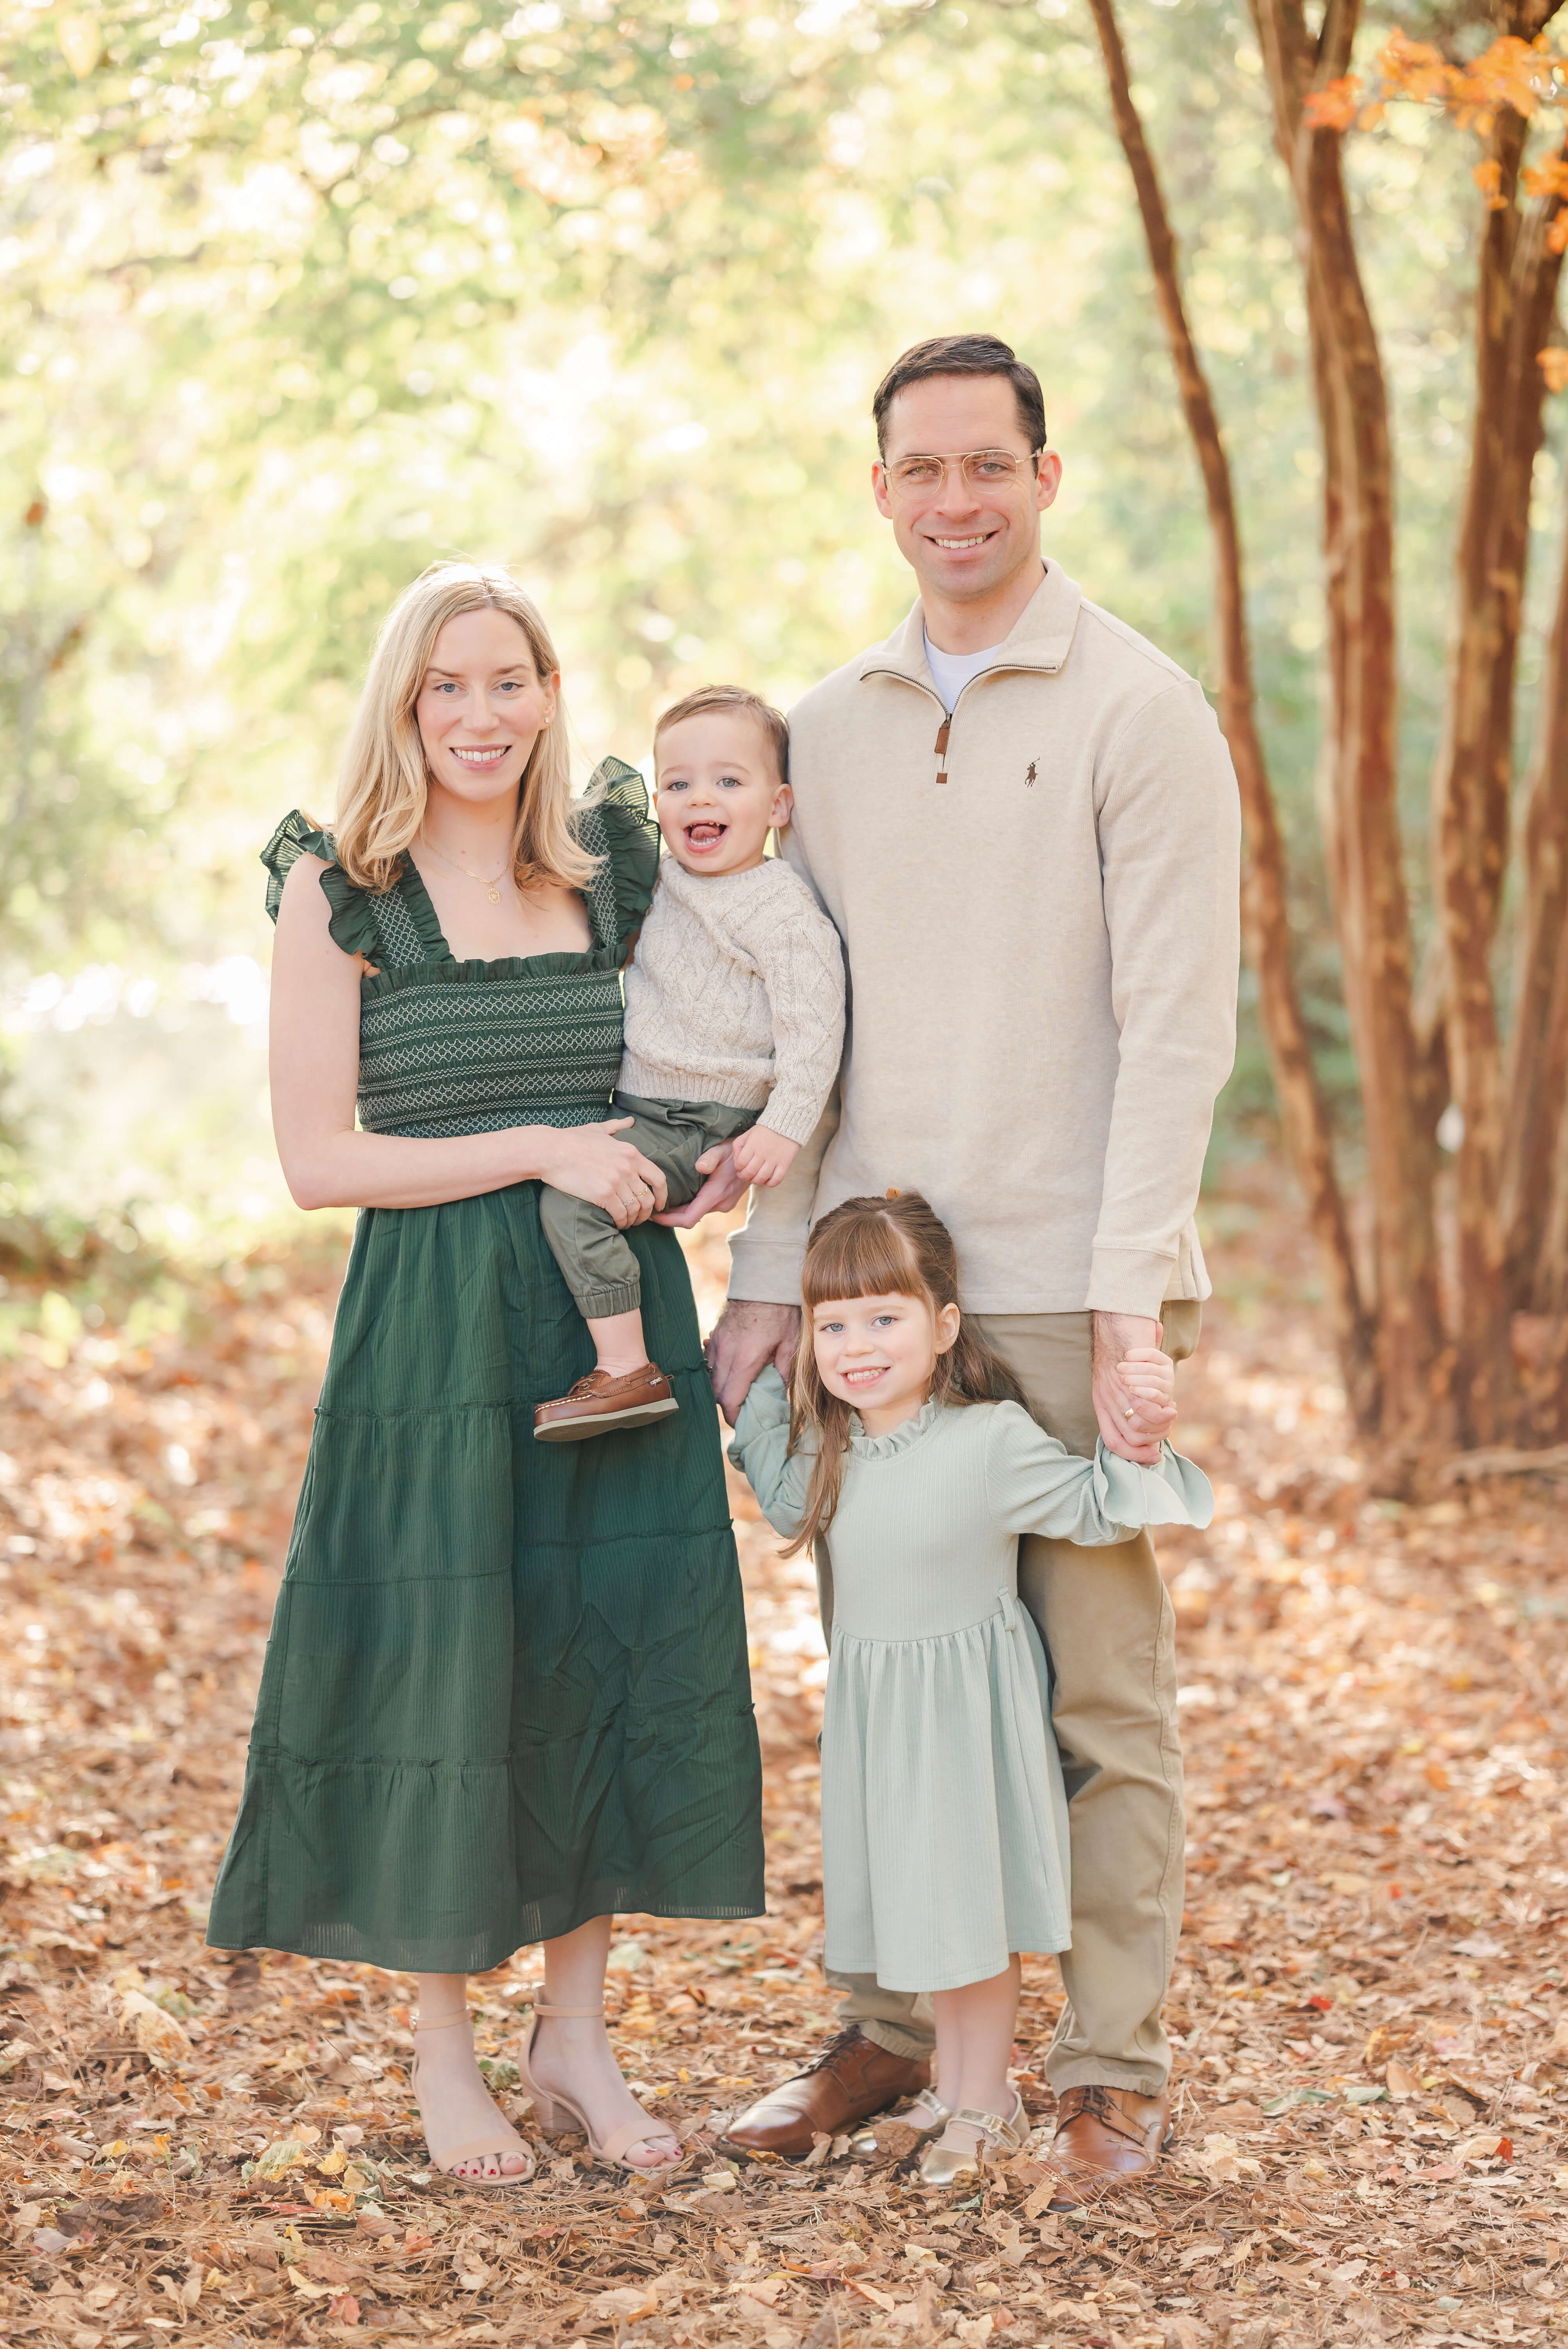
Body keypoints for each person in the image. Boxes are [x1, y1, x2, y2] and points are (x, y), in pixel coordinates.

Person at [674, 334, 1241, 2203]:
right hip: (874, 1305)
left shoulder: (1135, 709)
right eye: (917, 470)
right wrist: (767, 1278)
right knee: (897, 1674)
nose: (951, 501)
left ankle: (1106, 2071)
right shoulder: (820, 729)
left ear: (1042, 476)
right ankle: (894, 2026)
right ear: (878, 489)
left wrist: (1126, 1290)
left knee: (1094, 1698)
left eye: (984, 466)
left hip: (1059, 1279)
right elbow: (787, 1019)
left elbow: (1174, 1026)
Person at [206, 562, 764, 2186]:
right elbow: (318, 1161)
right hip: (437, 1321)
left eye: (507, 680)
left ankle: (575, 2039)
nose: (479, 714)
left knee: (604, 1643)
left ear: (546, 694)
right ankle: (446, 2048)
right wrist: (536, 1146)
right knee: (449, 1657)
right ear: (402, 701)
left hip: (613, 1317)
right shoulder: (342, 891)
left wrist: (718, 1160)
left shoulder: (613, 869)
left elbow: (728, 1029)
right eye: (445, 685)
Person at [728, 1193, 1213, 2186]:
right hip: (879, 1724)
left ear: (944, 1326)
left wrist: (1142, 1432)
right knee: (918, 1900)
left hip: (962, 1717)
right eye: (834, 1325)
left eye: (885, 1318)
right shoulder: (833, 1456)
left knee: (969, 1905)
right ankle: (952, 2083)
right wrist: (756, 1376)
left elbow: (1093, 1506)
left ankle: (983, 2096)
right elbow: (770, 1476)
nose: (858, 1346)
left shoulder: (987, 1438)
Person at [533, 686, 844, 1441]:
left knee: (574, 1199)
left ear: (779, 807)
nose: (700, 798)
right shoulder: (662, 883)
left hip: (702, 1118)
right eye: (678, 784)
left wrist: (781, 1128)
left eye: (728, 782)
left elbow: (816, 1031)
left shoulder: (780, 908)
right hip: (640, 1102)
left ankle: (628, 1369)